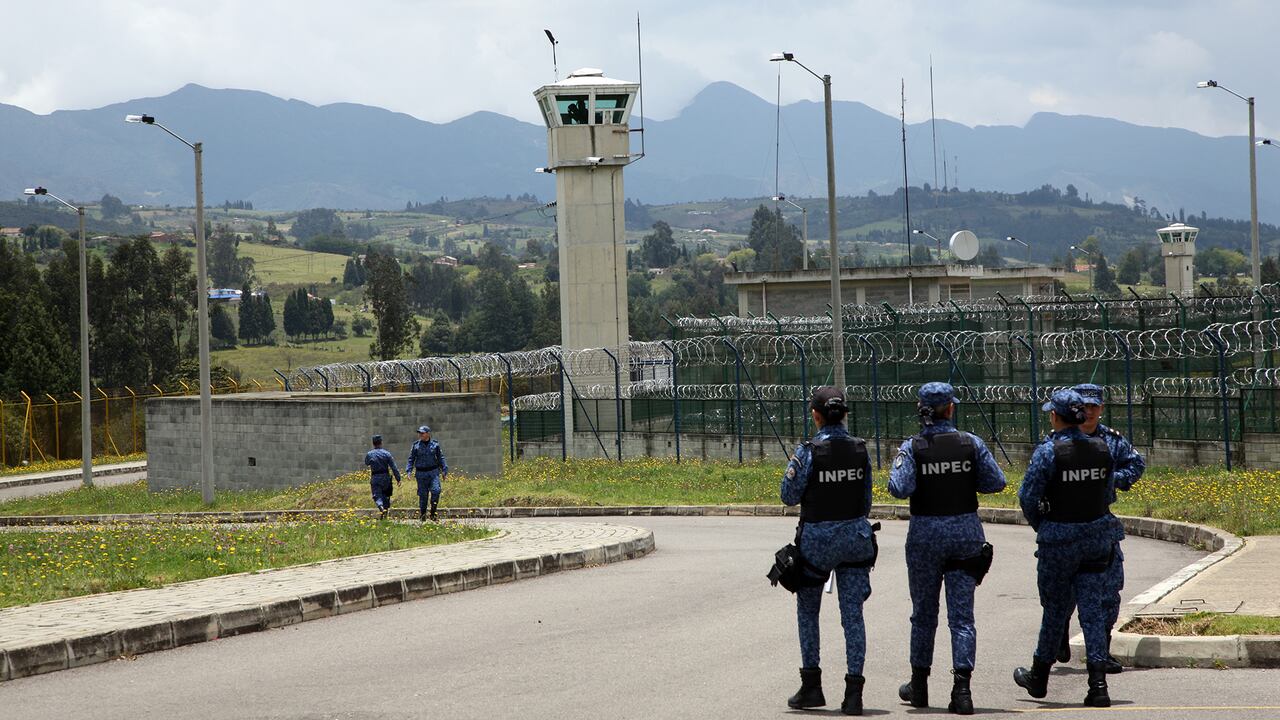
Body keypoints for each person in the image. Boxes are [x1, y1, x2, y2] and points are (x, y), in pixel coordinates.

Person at [888, 382, 1006, 715]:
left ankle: (919, 685)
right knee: (962, 618)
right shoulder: (972, 443)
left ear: (921, 409)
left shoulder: (913, 447)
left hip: (925, 538)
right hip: (966, 537)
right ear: (951, 409)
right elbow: (996, 482)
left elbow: (899, 487)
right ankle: (962, 690)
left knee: (923, 615)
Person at [1014, 389, 1121, 708]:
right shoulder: (1102, 448)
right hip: (1096, 540)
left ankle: (1039, 676)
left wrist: (1045, 526)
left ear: (1056, 417)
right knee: (1091, 609)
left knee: (1056, 609)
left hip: (1059, 541)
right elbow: (1108, 495)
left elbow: (1028, 497)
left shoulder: (1048, 452)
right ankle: (1098, 684)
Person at [780, 386, 877, 716]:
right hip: (855, 540)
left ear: (815, 415)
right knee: (853, 616)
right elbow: (865, 502)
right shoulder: (861, 450)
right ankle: (854, 694)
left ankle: (812, 686)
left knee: (809, 612)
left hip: (817, 545)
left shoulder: (808, 452)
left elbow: (788, 495)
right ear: (845, 415)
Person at [1052, 383, 1147, 672]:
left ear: (1101, 409)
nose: (1089, 412)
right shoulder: (1059, 440)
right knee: (1065, 592)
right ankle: (1058, 631)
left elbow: (1136, 465)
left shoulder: (1112, 441)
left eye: (1094, 407)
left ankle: (1101, 651)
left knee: (1108, 591)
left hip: (1100, 523)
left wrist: (1107, 480)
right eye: (1085, 407)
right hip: (1066, 525)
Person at [406, 425, 448, 522]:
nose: (420, 435)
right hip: (421, 474)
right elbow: (411, 459)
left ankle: (433, 513)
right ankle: (423, 515)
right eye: (419, 433)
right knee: (423, 495)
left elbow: (441, 457)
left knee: (436, 491)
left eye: (422, 433)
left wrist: (444, 470)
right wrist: (409, 471)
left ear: (428, 434)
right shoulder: (416, 445)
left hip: (433, 472)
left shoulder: (435, 445)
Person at [364, 434, 401, 519]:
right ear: (381, 442)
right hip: (385, 477)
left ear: (373, 443)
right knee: (386, 495)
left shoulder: (370, 454)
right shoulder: (386, 454)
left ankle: (381, 508)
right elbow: (394, 467)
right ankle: (385, 512)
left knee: (377, 495)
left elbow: (366, 463)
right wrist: (398, 478)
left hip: (375, 477)